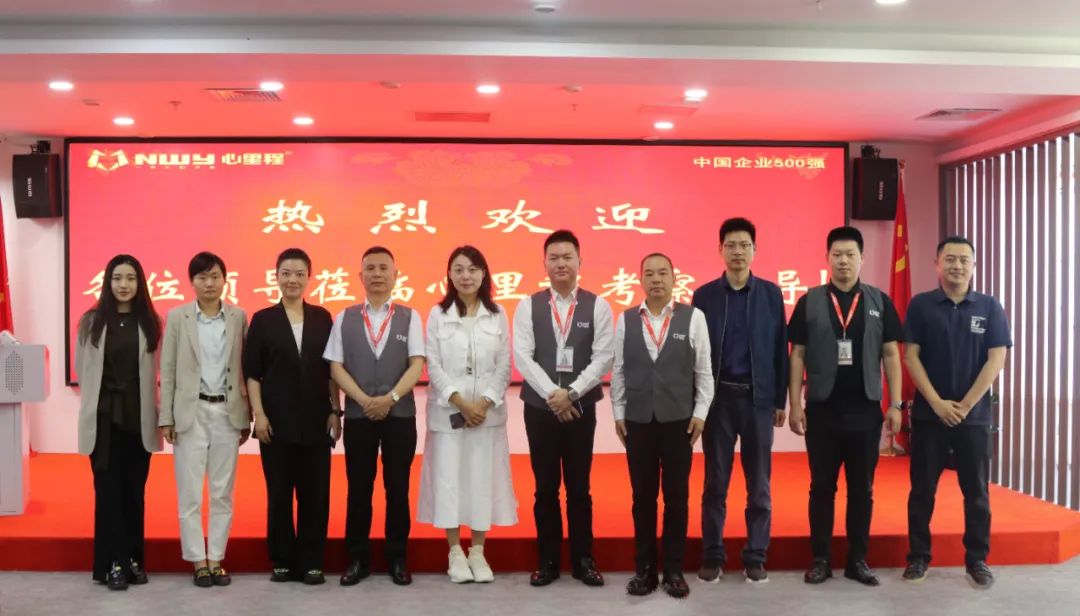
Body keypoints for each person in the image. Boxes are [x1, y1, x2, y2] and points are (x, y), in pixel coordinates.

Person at [787, 226, 903, 587]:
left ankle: (857, 560)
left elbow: (891, 355)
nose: (843, 261)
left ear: (861, 258)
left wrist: (896, 404)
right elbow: (797, 355)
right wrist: (795, 404)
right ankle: (820, 559)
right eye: (836, 254)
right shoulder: (809, 302)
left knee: (862, 490)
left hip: (865, 411)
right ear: (827, 258)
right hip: (822, 410)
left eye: (850, 254)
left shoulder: (879, 301)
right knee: (821, 488)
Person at [902, 236, 1011, 589]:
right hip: (929, 416)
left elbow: (997, 359)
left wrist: (964, 405)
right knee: (922, 490)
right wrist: (936, 403)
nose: (957, 265)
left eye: (965, 260)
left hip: (973, 418)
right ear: (937, 264)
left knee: (976, 492)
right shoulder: (921, 305)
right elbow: (910, 356)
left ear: (974, 266)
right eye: (950, 259)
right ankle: (918, 557)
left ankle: (977, 559)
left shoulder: (990, 307)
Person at [512, 229, 614, 587]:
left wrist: (570, 393)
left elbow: (603, 357)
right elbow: (522, 357)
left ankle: (584, 560)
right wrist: (554, 395)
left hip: (581, 408)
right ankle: (548, 561)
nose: (560, 263)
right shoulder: (528, 306)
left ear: (579, 261)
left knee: (579, 487)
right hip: (539, 410)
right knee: (545, 488)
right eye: (553, 258)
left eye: (567, 257)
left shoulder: (598, 306)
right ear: (544, 264)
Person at [612, 252, 714, 598]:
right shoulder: (626, 320)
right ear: (640, 279)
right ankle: (644, 569)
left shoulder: (693, 317)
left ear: (674, 278)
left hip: (679, 421)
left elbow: (704, 371)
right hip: (638, 421)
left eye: (662, 273)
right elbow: (619, 371)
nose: (656, 279)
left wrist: (700, 413)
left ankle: (673, 570)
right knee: (642, 498)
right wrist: (618, 413)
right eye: (650, 274)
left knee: (676, 498)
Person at [692, 217, 788, 583]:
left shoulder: (770, 294)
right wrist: (698, 404)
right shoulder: (704, 297)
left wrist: (779, 400)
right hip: (718, 403)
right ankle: (713, 555)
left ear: (755, 250)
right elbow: (696, 354)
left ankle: (755, 555)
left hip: (757, 401)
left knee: (759, 484)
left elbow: (780, 349)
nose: (737, 252)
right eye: (731, 245)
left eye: (744, 245)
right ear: (720, 250)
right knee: (715, 483)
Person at [324, 246, 425, 587]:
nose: (377, 274)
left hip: (400, 415)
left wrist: (390, 399)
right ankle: (357, 559)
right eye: (371, 268)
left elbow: (416, 364)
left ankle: (397, 558)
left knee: (397, 488)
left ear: (396, 275)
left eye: (384, 268)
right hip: (358, 415)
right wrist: (365, 400)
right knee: (359, 489)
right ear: (360, 276)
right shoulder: (345, 317)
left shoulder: (410, 317)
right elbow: (335, 367)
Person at [418, 246, 517, 583]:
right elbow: (433, 364)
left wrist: (484, 403)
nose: (466, 276)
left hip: (486, 417)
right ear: (449, 274)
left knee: (481, 481)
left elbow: (504, 365)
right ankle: (454, 551)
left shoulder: (497, 314)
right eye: (458, 269)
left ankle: (477, 550)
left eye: (473, 269)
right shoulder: (437, 314)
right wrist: (461, 402)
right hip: (449, 414)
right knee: (449, 480)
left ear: (484, 274)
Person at [243, 248, 340, 585]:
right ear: (276, 277)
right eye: (286, 273)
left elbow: (331, 370)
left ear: (308, 278)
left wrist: (335, 410)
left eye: (299, 274)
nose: (292, 280)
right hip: (276, 422)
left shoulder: (323, 318)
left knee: (315, 494)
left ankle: (312, 560)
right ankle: (282, 559)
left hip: (316, 420)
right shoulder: (263, 320)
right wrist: (259, 415)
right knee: (280, 494)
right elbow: (252, 374)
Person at [160, 251, 250, 588]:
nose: (209, 283)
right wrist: (166, 417)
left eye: (215, 276)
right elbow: (167, 368)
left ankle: (216, 559)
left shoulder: (238, 317)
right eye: (202, 277)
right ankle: (198, 560)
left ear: (225, 280)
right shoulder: (177, 317)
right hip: (191, 412)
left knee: (222, 491)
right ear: (192, 281)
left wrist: (247, 416)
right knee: (190, 492)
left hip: (227, 412)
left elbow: (245, 369)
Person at [75, 254, 163, 590]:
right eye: (117, 278)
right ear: (107, 282)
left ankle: (134, 560)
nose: (123, 285)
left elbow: (159, 370)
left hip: (139, 419)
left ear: (140, 283)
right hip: (103, 420)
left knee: (134, 492)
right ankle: (112, 562)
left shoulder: (151, 322)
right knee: (108, 492)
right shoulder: (91, 321)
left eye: (130, 278)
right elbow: (83, 370)